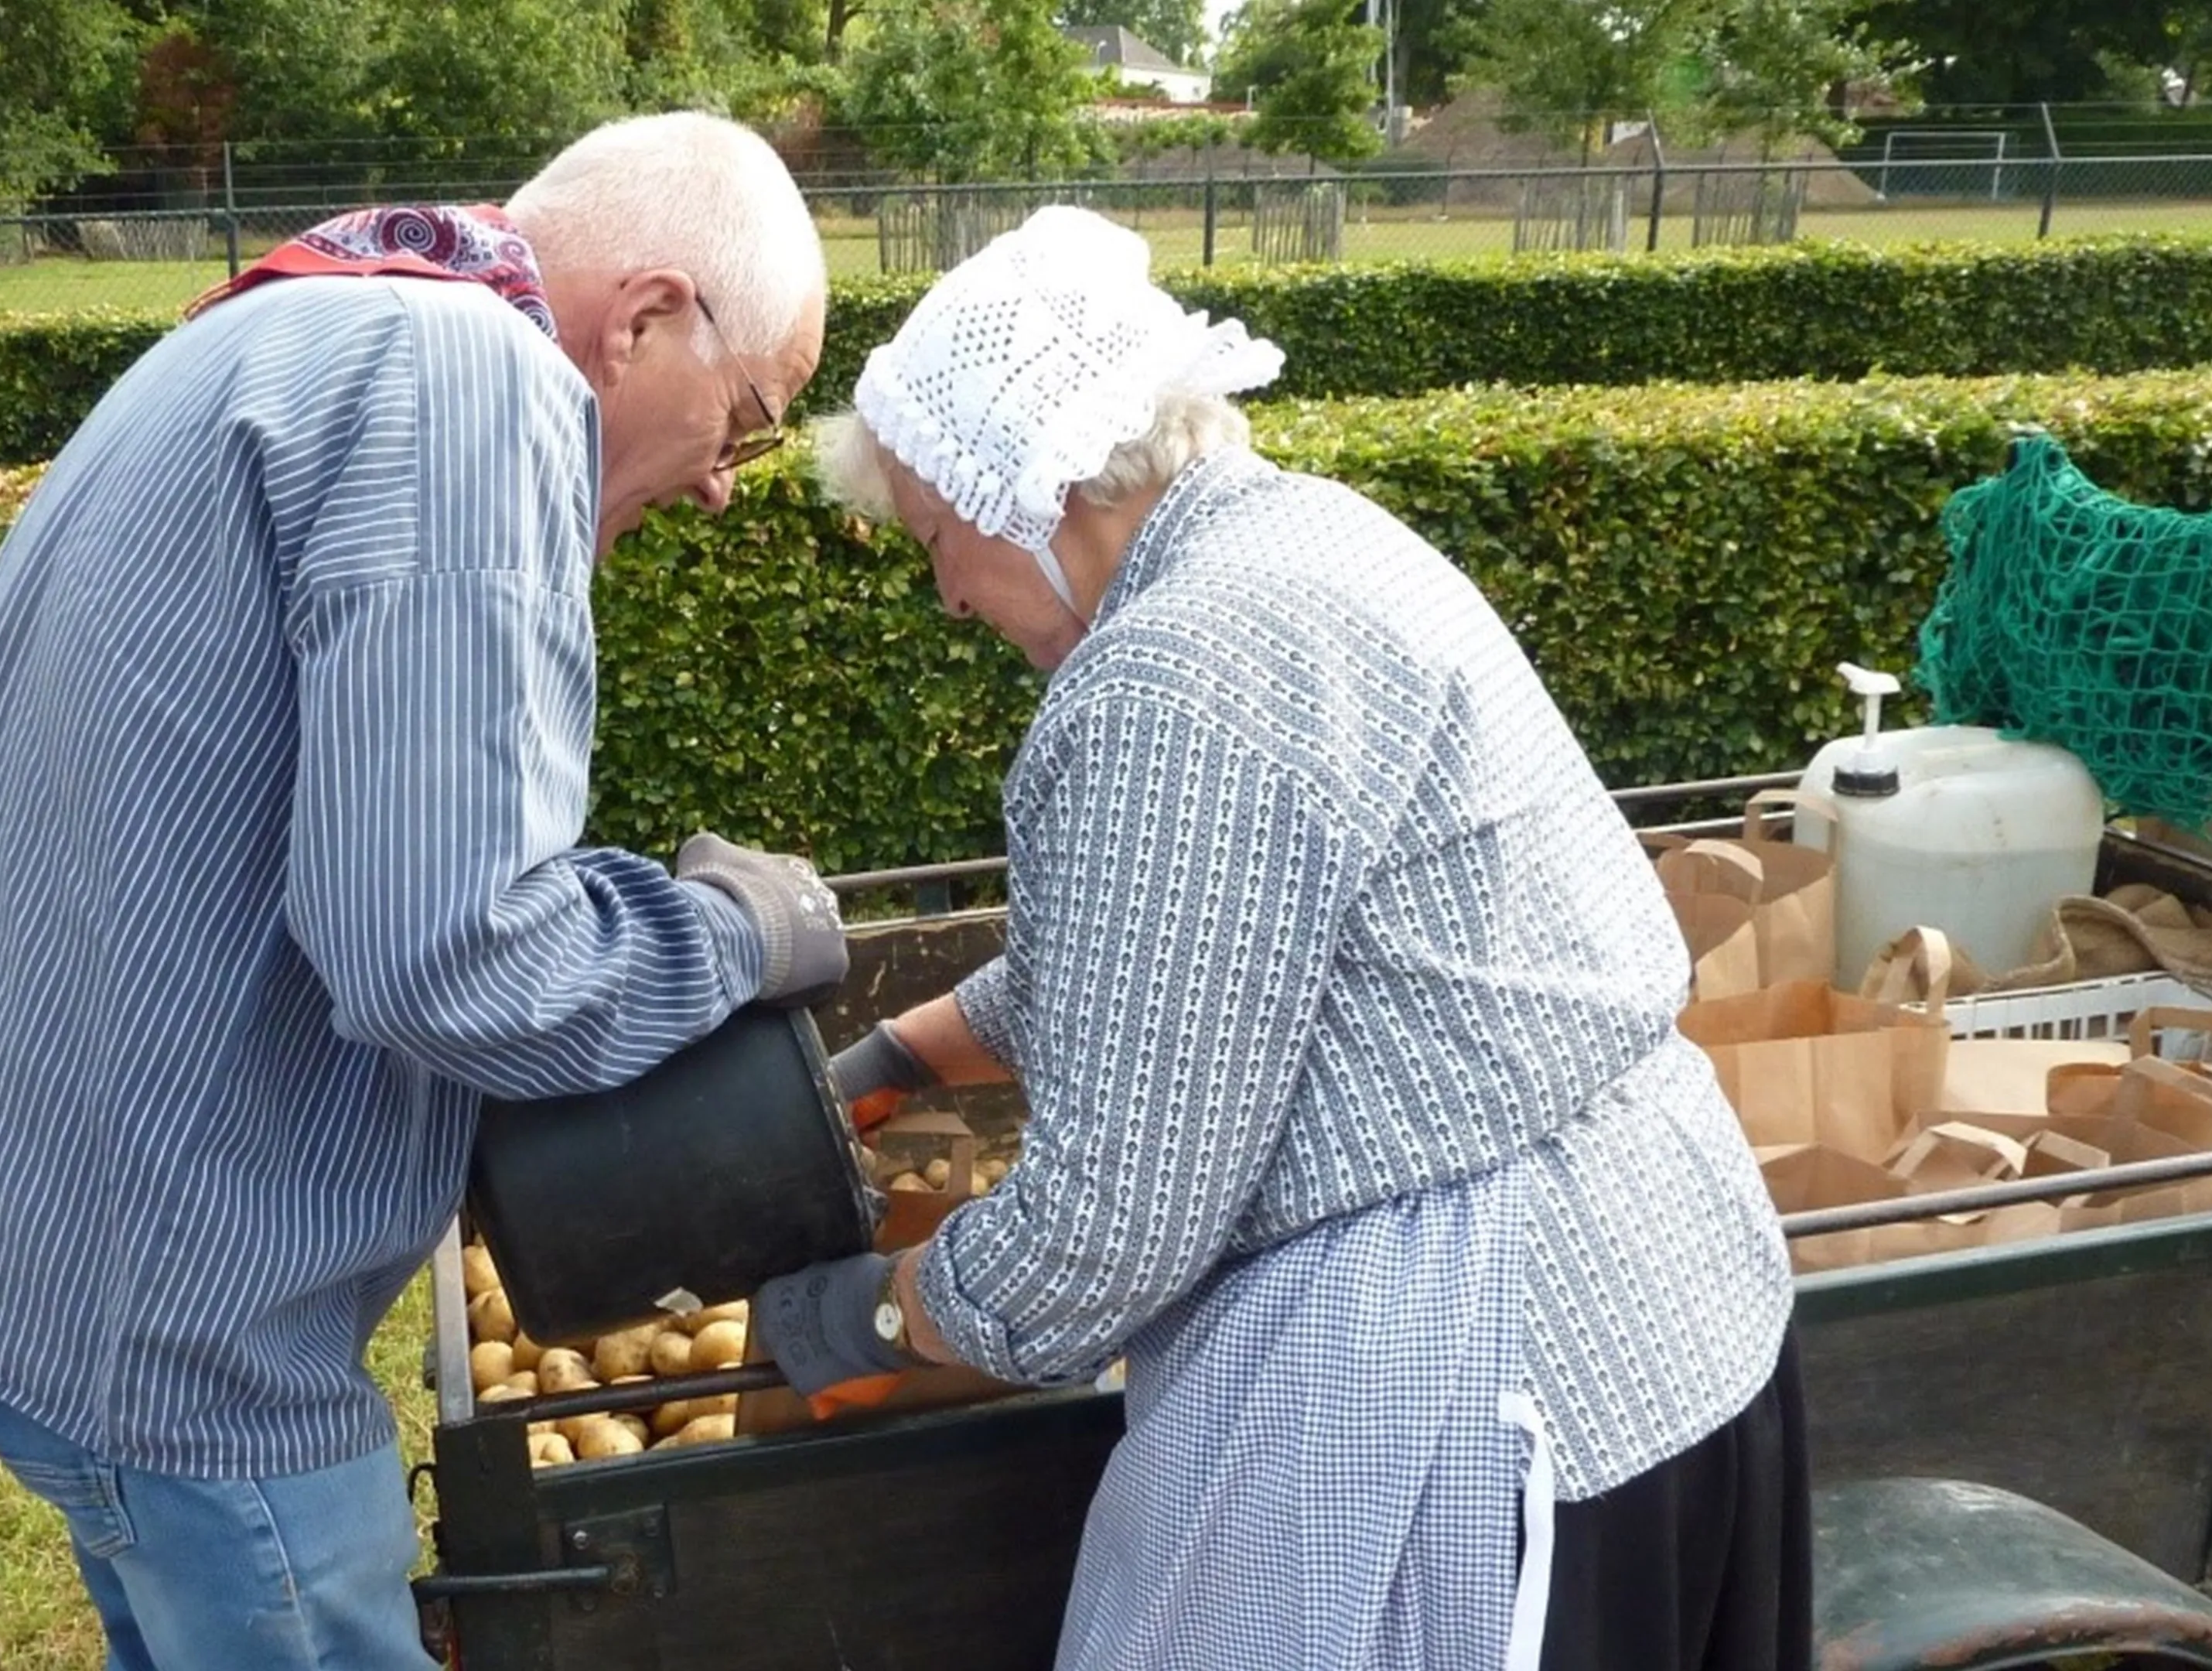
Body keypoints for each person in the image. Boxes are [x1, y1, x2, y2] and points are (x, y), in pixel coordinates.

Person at [0, 113, 847, 1671]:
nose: (726, 487)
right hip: (183, 1325)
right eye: (748, 420)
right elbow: (453, 963)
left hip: (52, 1245)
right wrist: (733, 937)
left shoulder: (325, 319)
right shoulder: (474, 386)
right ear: (647, 315)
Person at [755, 206, 1809, 1671]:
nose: (944, 590)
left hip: (1489, 1370)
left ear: (1033, 493)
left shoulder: (1169, 683)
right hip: (1676, 1300)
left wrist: (883, 1317)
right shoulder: (1308, 536)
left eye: (939, 539)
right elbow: (1157, 952)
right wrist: (889, 1058)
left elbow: (1109, 1230)